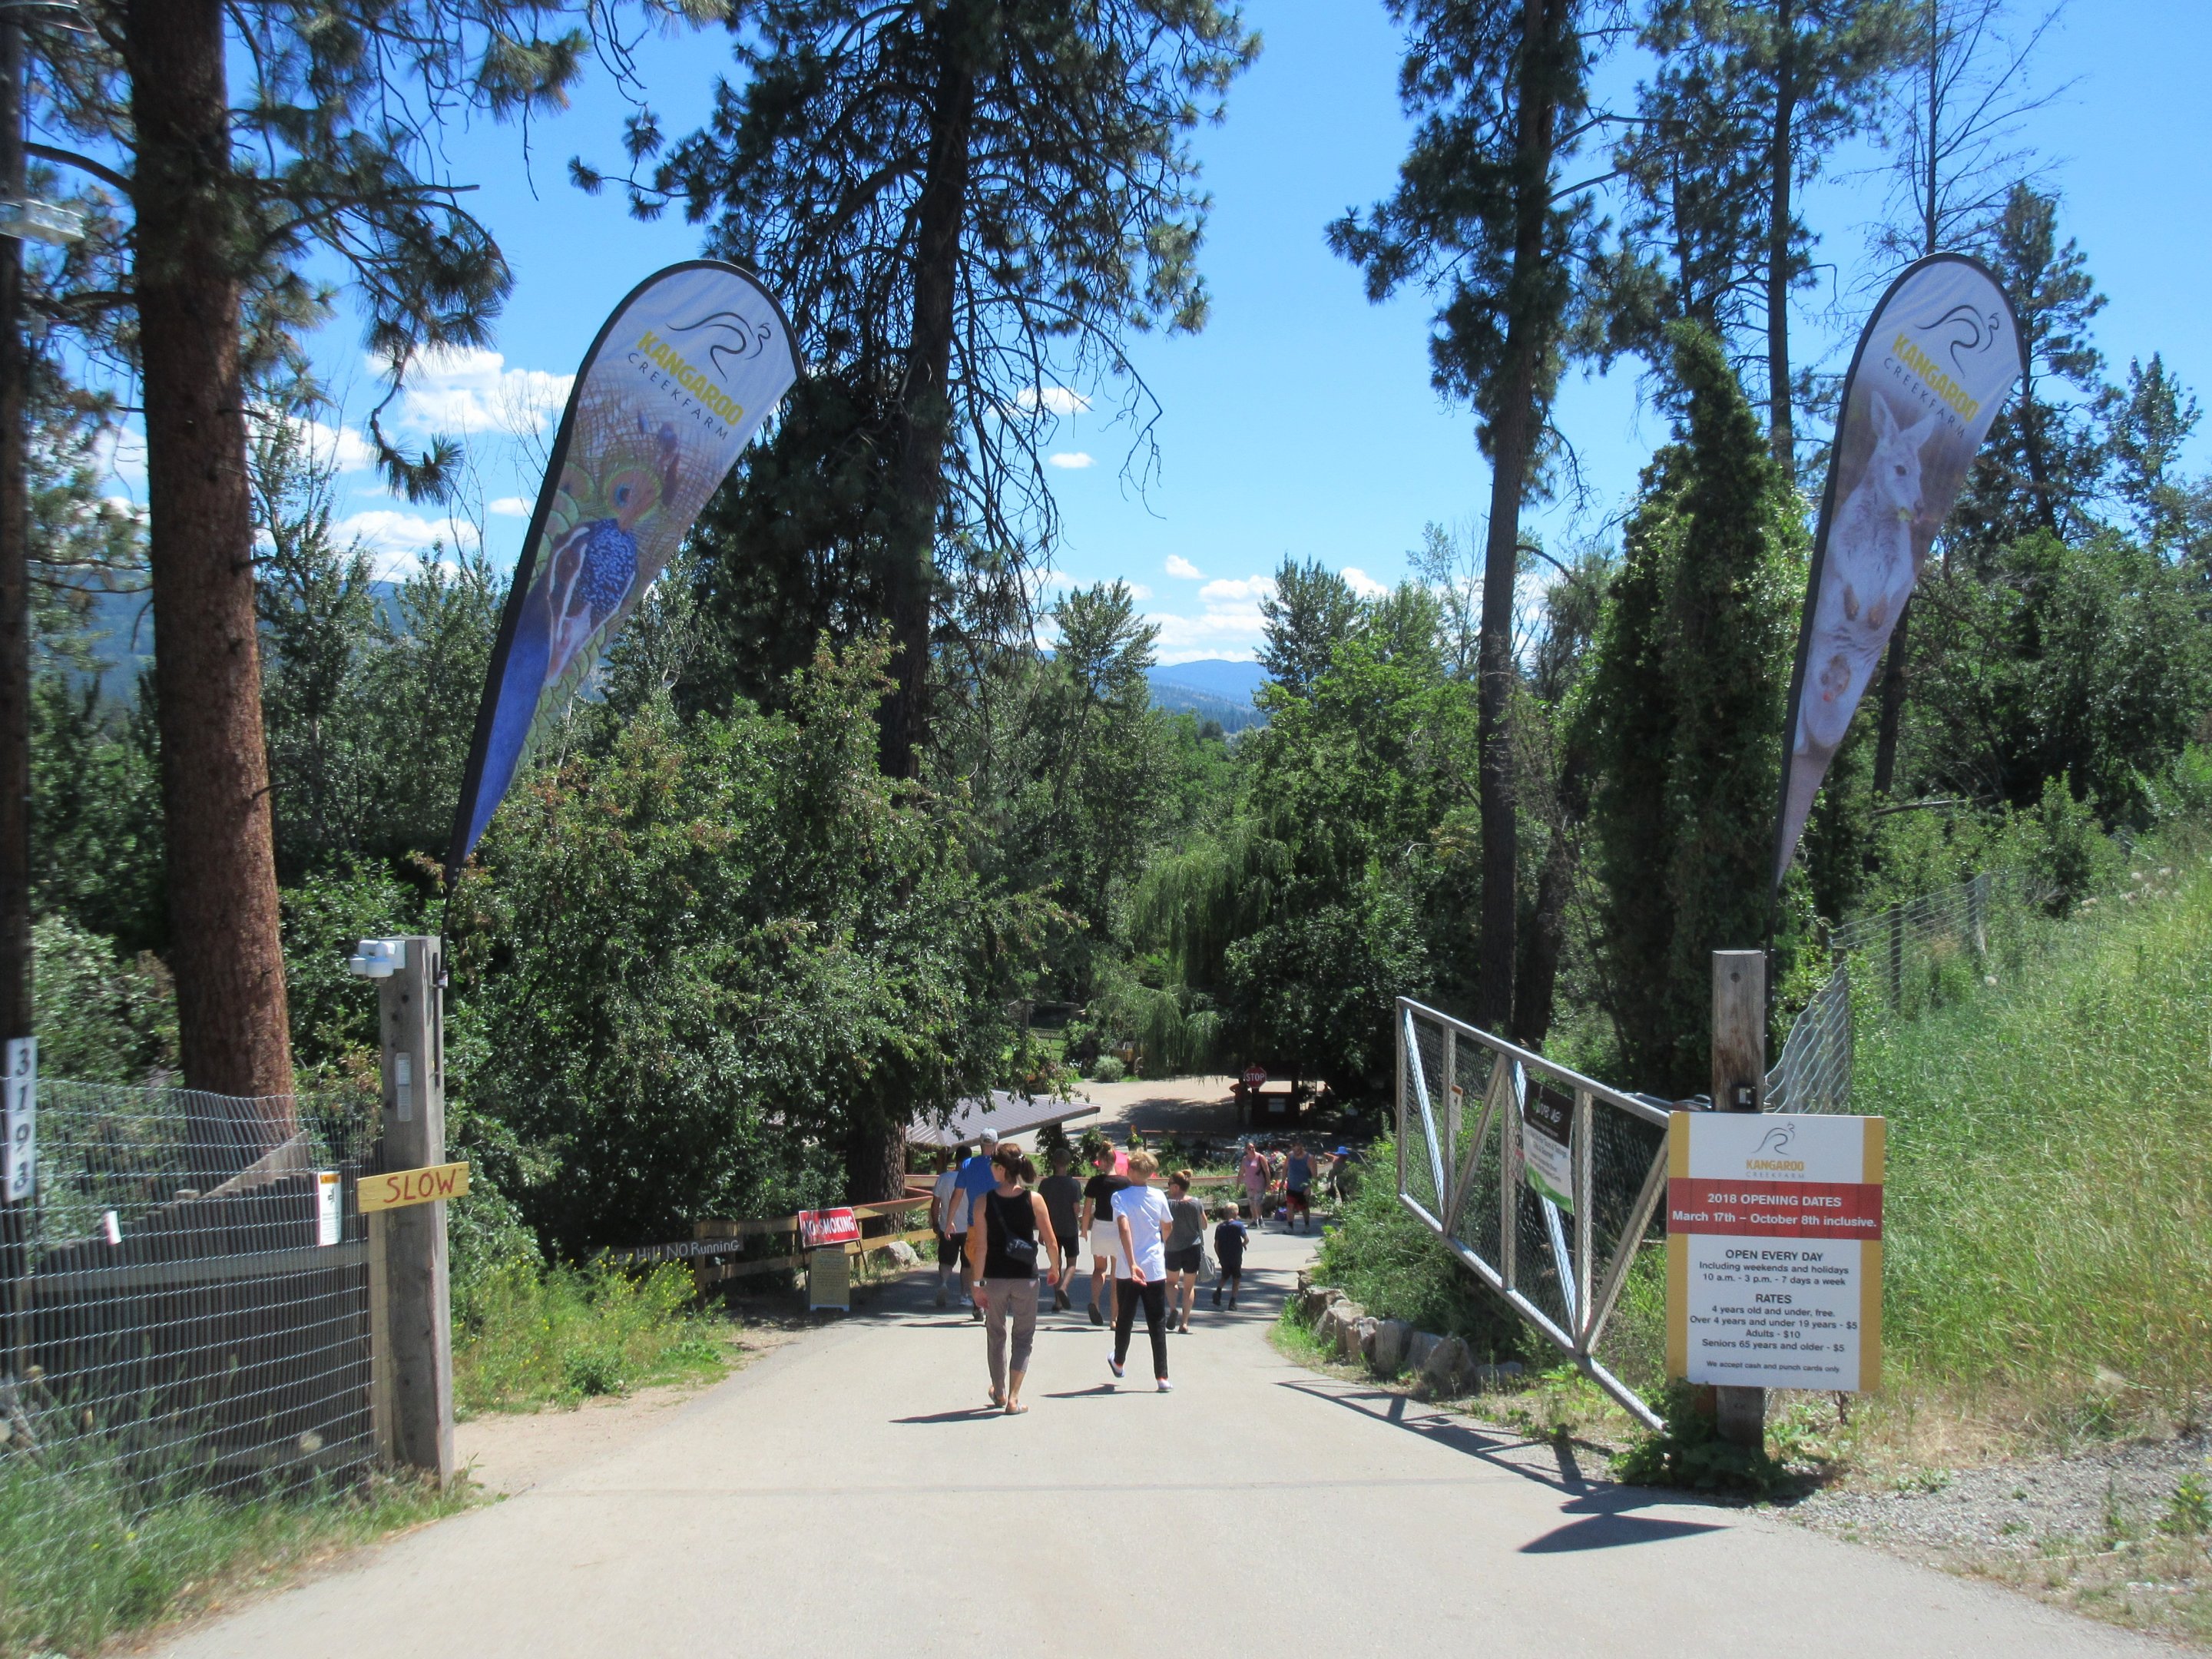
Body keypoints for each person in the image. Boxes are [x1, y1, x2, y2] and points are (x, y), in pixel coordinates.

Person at [964, 1145, 1060, 1414]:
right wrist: (1055, 1268)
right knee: (1023, 1336)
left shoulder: (983, 1201)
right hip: (1026, 1277)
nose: (991, 1169)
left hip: (994, 1278)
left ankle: (1000, 1391)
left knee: (996, 1334)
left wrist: (976, 1283)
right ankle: (1015, 1399)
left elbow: (980, 1247)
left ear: (1002, 1169)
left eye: (994, 1165)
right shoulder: (1035, 1199)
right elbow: (1050, 1240)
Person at [1109, 1151, 1174, 1391]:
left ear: (1132, 1171)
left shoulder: (1120, 1197)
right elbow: (1167, 1225)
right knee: (1156, 1320)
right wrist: (1159, 1244)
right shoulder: (1158, 1195)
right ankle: (1162, 1377)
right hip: (1154, 1266)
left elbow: (1123, 1228)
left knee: (1125, 1317)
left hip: (1129, 1268)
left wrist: (1132, 1260)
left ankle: (1118, 1361)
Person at [1078, 1144, 1129, 1327]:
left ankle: (1095, 1302)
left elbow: (1087, 1209)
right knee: (1116, 1275)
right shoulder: (1125, 1183)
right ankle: (1114, 1319)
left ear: (1105, 1161)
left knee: (1099, 1269)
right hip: (1118, 1228)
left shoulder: (1095, 1182)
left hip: (1100, 1227)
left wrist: (1084, 1229)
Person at [952, 1132, 1001, 1318]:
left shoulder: (967, 1165)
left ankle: (978, 1302)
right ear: (996, 1144)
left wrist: (949, 1222)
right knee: (994, 1264)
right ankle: (991, 1303)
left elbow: (957, 1195)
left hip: (974, 1223)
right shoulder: (1001, 1165)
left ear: (980, 1144)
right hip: (997, 1223)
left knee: (975, 1264)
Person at [1037, 1147, 1084, 1313]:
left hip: (1051, 1229)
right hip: (1070, 1228)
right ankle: (1064, 1287)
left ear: (1054, 1163)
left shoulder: (1046, 1184)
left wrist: (1042, 1231)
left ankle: (1057, 1300)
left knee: (1055, 1264)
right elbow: (1076, 1209)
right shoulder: (1074, 1184)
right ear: (1068, 1163)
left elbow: (1041, 1210)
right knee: (1072, 1263)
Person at [1161, 1171, 1206, 1334]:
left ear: (1175, 1186)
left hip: (1172, 1248)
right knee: (1189, 1287)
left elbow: (1162, 1225)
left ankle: (1173, 1308)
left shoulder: (1168, 1204)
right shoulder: (1196, 1203)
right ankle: (1185, 1322)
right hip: (1192, 1248)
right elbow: (1205, 1225)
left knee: (1171, 1282)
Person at [928, 1149, 962, 1308]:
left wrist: (935, 1222)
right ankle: (966, 1295)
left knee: (946, 1260)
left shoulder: (944, 1178)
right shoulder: (972, 1178)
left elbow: (935, 1204)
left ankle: (944, 1283)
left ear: (956, 1160)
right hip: (968, 1226)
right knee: (968, 1264)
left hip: (947, 1226)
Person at [1211, 1203, 1249, 1309]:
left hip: (1224, 1256)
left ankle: (1218, 1292)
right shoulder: (1238, 1225)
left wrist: (1219, 1256)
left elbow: (1216, 1245)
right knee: (1236, 1278)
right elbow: (1246, 1239)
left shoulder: (1220, 1227)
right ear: (1236, 1213)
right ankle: (1232, 1302)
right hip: (1236, 1256)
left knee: (1225, 1275)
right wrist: (1243, 1245)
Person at [1283, 1141, 1313, 1233]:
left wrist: (1309, 1187)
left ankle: (1307, 1226)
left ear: (1302, 1148)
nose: (1296, 1152)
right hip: (1291, 1186)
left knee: (1304, 1208)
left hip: (1303, 1188)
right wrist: (1283, 1181)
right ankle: (1290, 1227)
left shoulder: (1309, 1158)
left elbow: (1315, 1175)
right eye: (1294, 1150)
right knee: (1289, 1206)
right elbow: (1285, 1168)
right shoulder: (1290, 1156)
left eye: (1298, 1150)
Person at [1237, 1141, 1267, 1222]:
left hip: (1259, 1184)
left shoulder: (1260, 1157)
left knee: (1257, 1203)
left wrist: (1268, 1183)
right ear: (1246, 1150)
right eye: (1249, 1148)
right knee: (1251, 1203)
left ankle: (1260, 1218)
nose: (1252, 1150)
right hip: (1249, 1184)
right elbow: (1241, 1172)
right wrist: (1238, 1184)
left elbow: (1267, 1171)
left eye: (1253, 1148)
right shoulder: (1245, 1159)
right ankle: (1255, 1220)